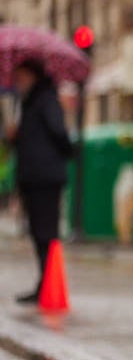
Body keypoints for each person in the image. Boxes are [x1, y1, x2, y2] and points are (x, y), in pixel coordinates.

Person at [7, 59, 73, 303]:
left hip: (44, 176)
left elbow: (58, 132)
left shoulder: (45, 99)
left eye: (21, 75)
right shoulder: (28, 102)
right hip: (33, 175)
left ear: (32, 75)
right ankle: (44, 283)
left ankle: (49, 284)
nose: (17, 81)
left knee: (46, 232)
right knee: (38, 232)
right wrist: (15, 136)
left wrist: (66, 152)